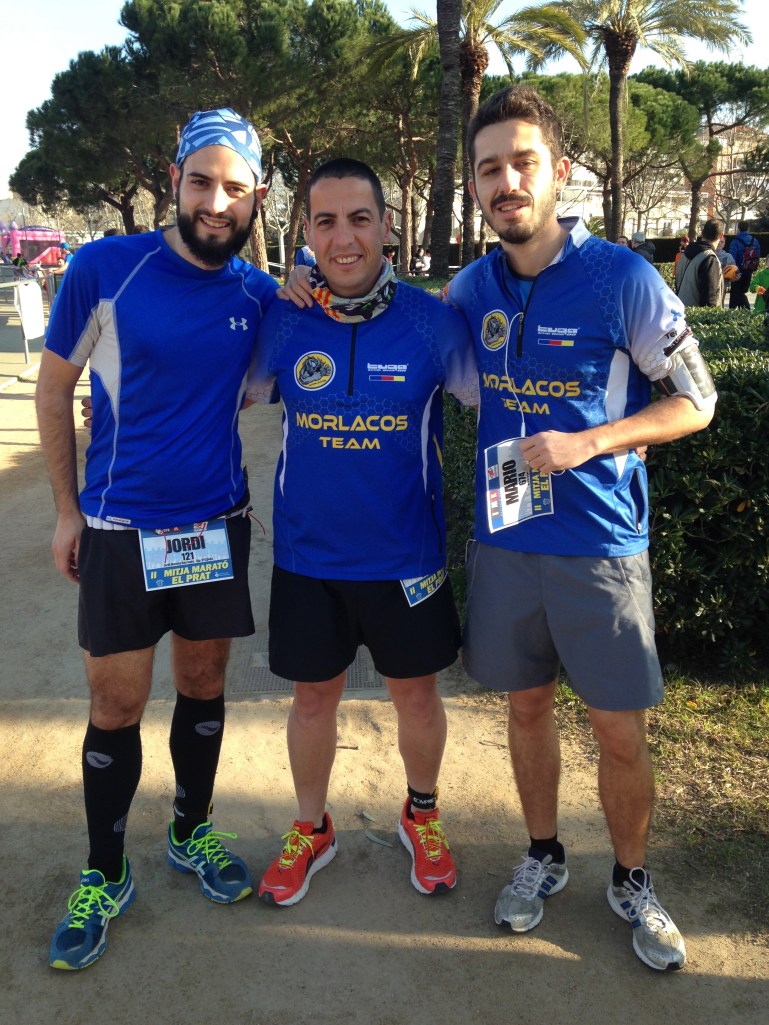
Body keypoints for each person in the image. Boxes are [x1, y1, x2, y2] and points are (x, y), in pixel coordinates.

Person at [446, 86, 716, 972]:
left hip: (600, 547)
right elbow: (402, 328)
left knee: (617, 730)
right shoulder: (470, 287)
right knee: (524, 707)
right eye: (489, 168)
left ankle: (632, 879)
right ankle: (543, 854)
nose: (506, 181)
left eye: (523, 162)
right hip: (508, 542)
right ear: (475, 185)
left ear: (559, 171)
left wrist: (590, 442)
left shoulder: (622, 278)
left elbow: (697, 400)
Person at [36, 108, 275, 971]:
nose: (215, 202)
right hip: (116, 528)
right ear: (174, 179)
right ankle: (105, 870)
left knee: (204, 683)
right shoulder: (105, 268)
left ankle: (190, 830)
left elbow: (275, 381)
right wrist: (66, 510)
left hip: (213, 525)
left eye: (234, 187)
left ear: (256, 197)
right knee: (116, 705)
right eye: (200, 181)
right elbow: (54, 388)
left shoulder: (258, 296)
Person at [249, 158, 478, 907]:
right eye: (325, 221)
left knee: (417, 694)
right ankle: (310, 827)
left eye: (358, 219)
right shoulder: (283, 318)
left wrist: (603, 433)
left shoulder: (431, 322)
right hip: (308, 557)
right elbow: (221, 391)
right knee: (313, 700)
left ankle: (422, 812)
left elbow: (501, 403)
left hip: (406, 558)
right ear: (306, 232)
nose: (342, 238)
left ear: (385, 225)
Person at [675, 220, 725, 307]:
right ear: (721, 236)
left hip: (681, 309)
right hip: (697, 314)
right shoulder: (709, 258)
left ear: (702, 232)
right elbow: (710, 297)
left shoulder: (685, 254)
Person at [728, 220, 761, 310]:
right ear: (748, 228)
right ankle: (745, 310)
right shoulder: (754, 240)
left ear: (738, 228)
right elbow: (757, 255)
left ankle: (737, 310)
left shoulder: (735, 241)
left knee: (735, 292)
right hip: (749, 269)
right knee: (742, 291)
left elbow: (732, 256)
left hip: (737, 271)